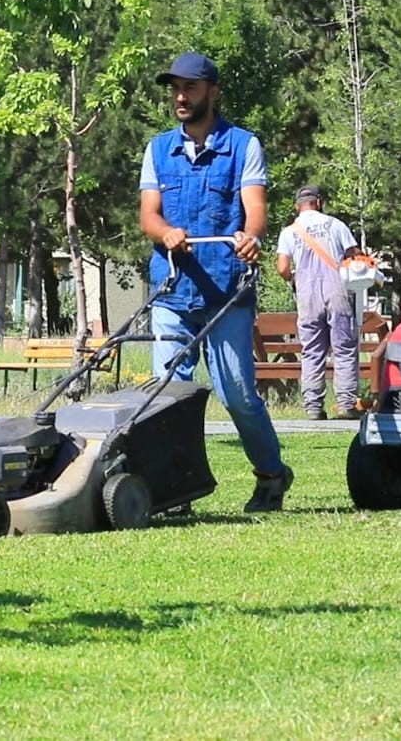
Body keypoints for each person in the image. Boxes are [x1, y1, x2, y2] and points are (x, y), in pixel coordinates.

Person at [139, 51, 292, 513]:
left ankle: (271, 474)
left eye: (190, 88)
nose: (180, 97)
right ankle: (174, 488)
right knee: (167, 393)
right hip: (173, 290)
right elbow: (149, 215)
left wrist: (251, 237)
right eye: (176, 89)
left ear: (212, 91)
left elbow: (256, 208)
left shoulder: (243, 146)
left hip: (226, 292)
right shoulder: (158, 149)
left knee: (237, 394)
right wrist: (165, 233)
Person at [275, 184, 362, 421]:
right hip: (338, 292)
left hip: (306, 295)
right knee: (344, 349)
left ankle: (313, 407)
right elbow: (356, 255)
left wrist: (293, 279)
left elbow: (282, 267)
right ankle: (346, 404)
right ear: (319, 202)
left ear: (297, 206)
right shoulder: (336, 225)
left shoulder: (289, 231)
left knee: (312, 351)